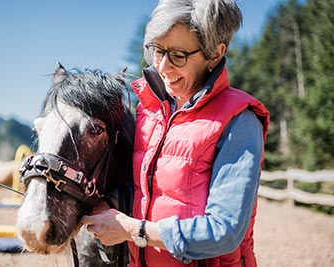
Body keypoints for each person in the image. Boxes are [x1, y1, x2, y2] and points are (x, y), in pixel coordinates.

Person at [82, 0, 270, 266]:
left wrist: (134, 230)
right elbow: (151, 189)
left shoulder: (239, 121)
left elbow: (224, 232)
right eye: (158, 51)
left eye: (178, 56)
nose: (163, 67)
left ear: (215, 54)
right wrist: (111, 203)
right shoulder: (149, 112)